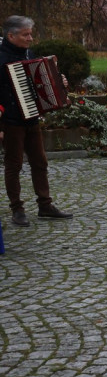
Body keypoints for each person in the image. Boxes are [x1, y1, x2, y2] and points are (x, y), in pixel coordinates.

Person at [0, 15, 73, 225]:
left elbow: (41, 82)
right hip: (11, 120)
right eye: (26, 34)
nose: (30, 38)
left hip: (31, 116)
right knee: (13, 165)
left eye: (31, 34)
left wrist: (60, 82)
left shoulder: (29, 54)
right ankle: (17, 209)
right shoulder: (1, 59)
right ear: (11, 35)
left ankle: (45, 205)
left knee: (40, 162)